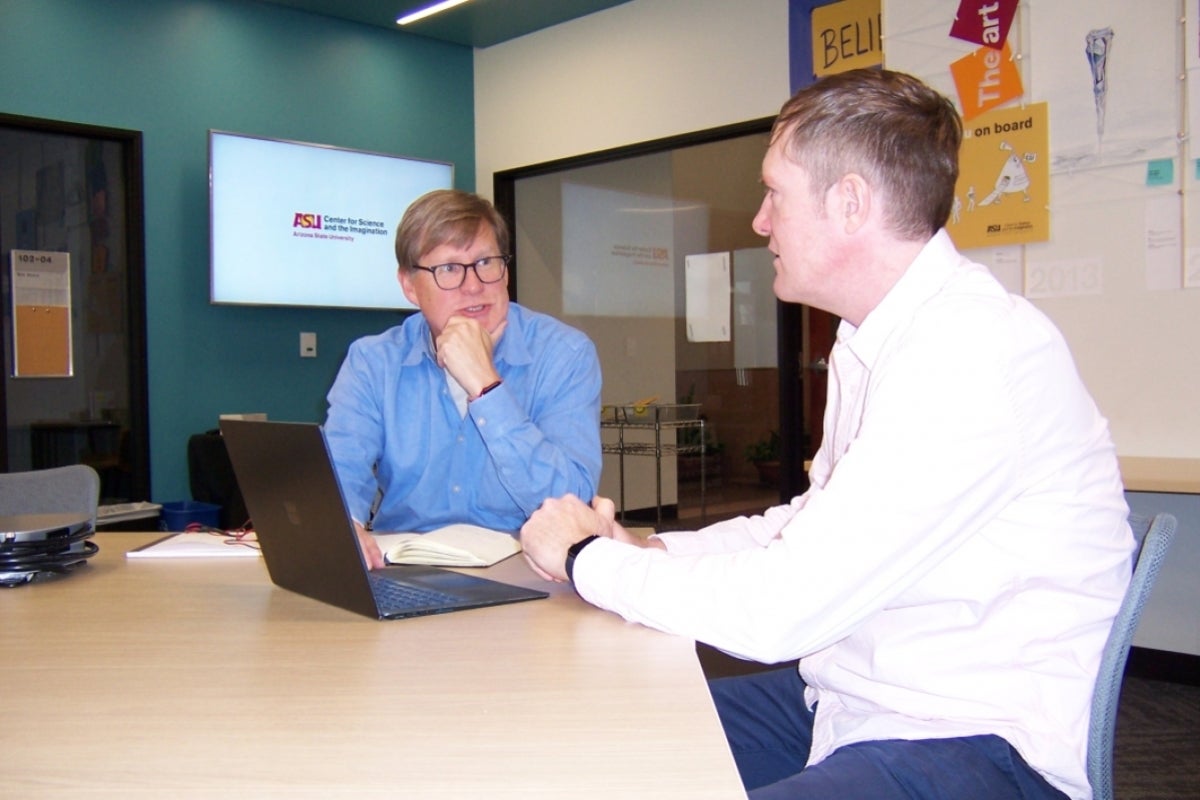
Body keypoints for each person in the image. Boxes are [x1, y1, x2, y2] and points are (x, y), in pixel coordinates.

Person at [519, 69, 1132, 800]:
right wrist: (648, 549)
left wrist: (588, 557)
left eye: (775, 193)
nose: (759, 221)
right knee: (580, 742)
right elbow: (802, 531)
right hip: (852, 700)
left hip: (974, 740)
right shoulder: (872, 341)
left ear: (849, 203)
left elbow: (779, 610)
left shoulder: (974, 354)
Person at [324, 189, 602, 568]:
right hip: (405, 567)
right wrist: (344, 525)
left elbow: (572, 501)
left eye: (486, 262)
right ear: (409, 286)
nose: (474, 285)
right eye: (449, 269)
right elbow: (340, 470)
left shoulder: (565, 355)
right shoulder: (373, 362)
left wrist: (486, 387)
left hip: (530, 572)